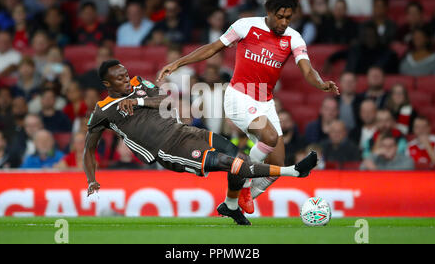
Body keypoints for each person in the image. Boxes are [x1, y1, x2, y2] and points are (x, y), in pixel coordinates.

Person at [157, 0, 339, 215]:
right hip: (239, 96)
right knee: (270, 137)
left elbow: (308, 69)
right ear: (269, 12)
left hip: (265, 102)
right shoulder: (245, 26)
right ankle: (243, 183)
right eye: (280, 16)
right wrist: (178, 63)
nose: (284, 22)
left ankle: (231, 203)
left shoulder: (294, 38)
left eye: (288, 18)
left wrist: (321, 83)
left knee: (277, 165)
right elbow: (213, 48)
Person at [84, 60, 318, 225]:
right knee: (230, 163)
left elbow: (166, 101)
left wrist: (139, 103)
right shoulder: (103, 111)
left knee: (241, 159)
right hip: (168, 149)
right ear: (107, 84)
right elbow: (89, 149)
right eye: (120, 78)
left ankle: (231, 205)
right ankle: (293, 171)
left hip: (186, 131)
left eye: (126, 74)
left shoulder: (139, 85)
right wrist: (92, 179)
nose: (126, 79)